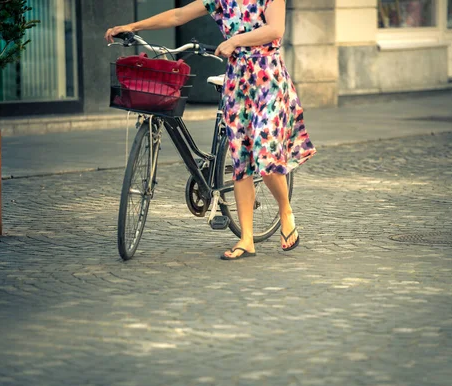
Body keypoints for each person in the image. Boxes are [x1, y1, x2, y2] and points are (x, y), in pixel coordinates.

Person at [106, 0, 316, 260]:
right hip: (237, 81)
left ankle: (285, 211)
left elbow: (275, 30)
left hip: (268, 80)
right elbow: (179, 14)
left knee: (266, 155)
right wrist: (133, 25)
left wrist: (235, 41)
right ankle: (247, 239)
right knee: (242, 161)